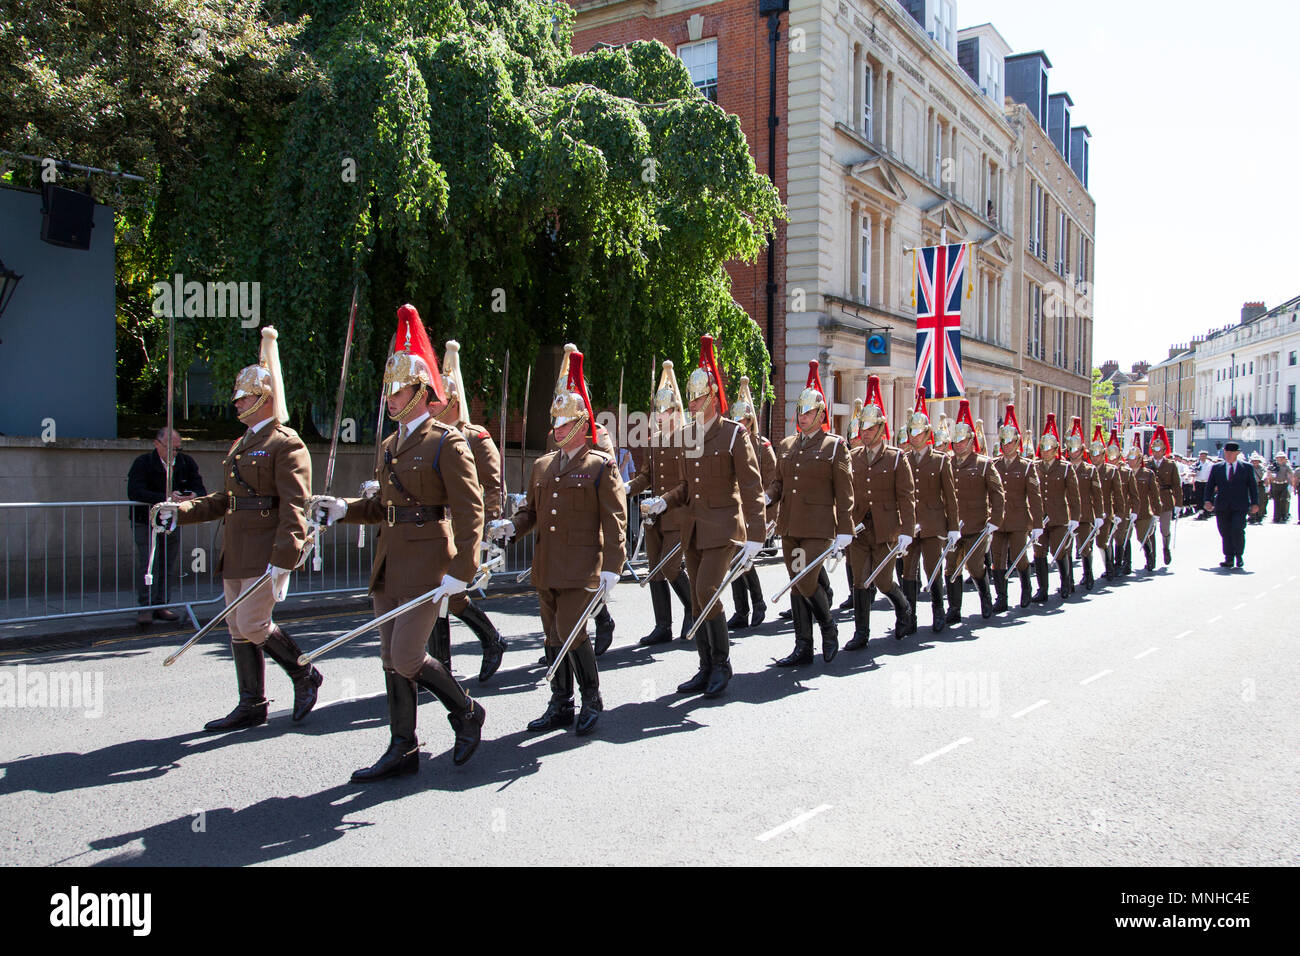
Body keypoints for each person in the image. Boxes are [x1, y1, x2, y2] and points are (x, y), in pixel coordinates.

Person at [311, 306, 485, 778]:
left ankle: (466, 712)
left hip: (430, 565)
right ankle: (402, 747)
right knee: (390, 659)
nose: (390, 398)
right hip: (389, 563)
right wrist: (345, 509)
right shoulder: (388, 446)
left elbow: (472, 511)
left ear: (422, 392)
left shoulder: (447, 442)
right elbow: (385, 508)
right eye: (388, 389)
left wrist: (461, 570)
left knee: (409, 654)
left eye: (399, 389)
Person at [155, 327, 321, 732]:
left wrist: (285, 556)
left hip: (266, 548)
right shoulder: (240, 445)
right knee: (237, 627)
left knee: (252, 623)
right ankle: (252, 703)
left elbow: (295, 503)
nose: (238, 403)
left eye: (245, 397)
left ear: (265, 398)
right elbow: (225, 499)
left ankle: (305, 674)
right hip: (237, 546)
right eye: (238, 397)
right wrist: (182, 511)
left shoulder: (286, 443)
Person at [490, 346, 626, 731]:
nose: (556, 429)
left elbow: (615, 518)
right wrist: (512, 527)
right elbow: (531, 512)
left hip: (582, 567)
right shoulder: (543, 465)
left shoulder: (600, 466)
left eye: (564, 423)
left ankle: (592, 699)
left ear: (582, 425)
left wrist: (613, 568)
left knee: (571, 630)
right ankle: (560, 702)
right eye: (555, 423)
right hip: (547, 564)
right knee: (552, 635)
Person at [654, 334, 764, 695]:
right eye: (691, 398)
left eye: (699, 397)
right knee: (700, 598)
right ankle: (705, 666)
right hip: (694, 528)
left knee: (706, 589)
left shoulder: (734, 435)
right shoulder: (687, 435)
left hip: (724, 528)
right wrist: (664, 501)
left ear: (714, 396)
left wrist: (757, 535)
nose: (693, 403)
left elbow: (751, 487)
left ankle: (722, 664)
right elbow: (686, 487)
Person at [424, 340, 508, 683]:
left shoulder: (475, 437)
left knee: (450, 595)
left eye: (438, 402)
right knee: (437, 596)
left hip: (461, 530)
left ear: (454, 404)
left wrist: (487, 529)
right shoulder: (426, 438)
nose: (431, 409)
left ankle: (489, 641)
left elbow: (491, 485)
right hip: (431, 528)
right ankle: (443, 665)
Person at [765, 361, 855, 665]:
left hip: (818, 528)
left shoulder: (834, 446)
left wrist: (845, 529)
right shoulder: (787, 444)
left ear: (820, 414)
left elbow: (845, 492)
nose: (802, 417)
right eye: (799, 412)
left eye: (808, 412)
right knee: (796, 583)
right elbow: (779, 482)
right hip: (790, 526)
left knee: (805, 580)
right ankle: (803, 646)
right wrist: (767, 497)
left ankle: (829, 629)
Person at [844, 377, 914, 658]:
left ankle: (904, 609)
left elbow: (906, 497)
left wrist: (906, 531)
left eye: (870, 428)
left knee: (883, 581)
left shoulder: (897, 458)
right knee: (860, 580)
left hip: (886, 529)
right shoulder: (854, 457)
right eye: (863, 427)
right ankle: (861, 632)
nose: (865, 432)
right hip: (860, 529)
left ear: (881, 429)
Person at [626, 360, 693, 645]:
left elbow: (688, 483)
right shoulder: (653, 441)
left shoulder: (688, 438)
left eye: (666, 410)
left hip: (677, 514)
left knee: (671, 567)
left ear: (677, 412)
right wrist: (627, 487)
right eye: (658, 411)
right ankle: (662, 625)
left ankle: (693, 608)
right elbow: (646, 476)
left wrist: (665, 501)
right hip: (654, 517)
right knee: (654, 568)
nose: (661, 415)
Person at [128, 427, 206, 624]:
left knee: (167, 563)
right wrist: (165, 498)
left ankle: (162, 604)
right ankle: (145, 607)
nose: (174, 452)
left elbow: (200, 487)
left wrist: (192, 496)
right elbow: (135, 491)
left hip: (171, 521)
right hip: (145, 521)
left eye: (178, 448)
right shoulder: (143, 462)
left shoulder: (185, 462)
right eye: (170, 447)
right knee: (149, 563)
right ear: (157, 444)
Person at [900, 389, 960, 630]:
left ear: (927, 434)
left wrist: (953, 527)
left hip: (934, 524)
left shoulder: (941, 460)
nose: (913, 437)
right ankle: (909, 616)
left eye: (918, 432)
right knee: (908, 572)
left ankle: (938, 611)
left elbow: (951, 496)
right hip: (909, 524)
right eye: (910, 432)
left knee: (932, 569)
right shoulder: (902, 459)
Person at [945, 401, 1004, 623]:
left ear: (971, 441)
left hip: (977, 526)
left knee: (975, 566)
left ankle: (986, 599)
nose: (958, 445)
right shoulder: (947, 463)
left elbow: (997, 494)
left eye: (962, 441)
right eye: (955, 441)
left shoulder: (984, 464)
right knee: (951, 568)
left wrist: (994, 520)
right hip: (952, 527)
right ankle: (954, 609)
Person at [726, 375, 775, 631]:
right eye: (735, 420)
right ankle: (740, 610)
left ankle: (758, 604)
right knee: (734, 561)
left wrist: (767, 513)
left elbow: (772, 480)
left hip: (754, 510)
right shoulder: (729, 444)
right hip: (734, 510)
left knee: (745, 560)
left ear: (751, 420)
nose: (738, 424)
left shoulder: (761, 445)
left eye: (743, 419)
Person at [991, 403, 1042, 611]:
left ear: (1017, 443)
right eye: (1003, 442)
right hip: (998, 521)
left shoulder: (1027, 466)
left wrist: (1037, 524)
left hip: (1019, 519)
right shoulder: (995, 465)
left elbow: (1035, 497)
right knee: (997, 559)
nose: (1006, 446)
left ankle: (1026, 588)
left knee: (1020, 557)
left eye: (1010, 442)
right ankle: (1001, 597)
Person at [1031, 414, 1080, 601]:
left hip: (1059, 517)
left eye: (1048, 449)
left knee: (1060, 551)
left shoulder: (1065, 468)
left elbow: (1074, 497)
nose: (1045, 452)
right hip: (1039, 518)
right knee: (1039, 552)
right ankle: (1042, 589)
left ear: (1055, 449)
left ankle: (1066, 583)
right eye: (1042, 448)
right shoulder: (1035, 467)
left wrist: (1074, 518)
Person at [1203, 441, 1259, 568]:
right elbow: (1210, 486)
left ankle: (1239, 555)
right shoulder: (1217, 468)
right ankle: (1228, 557)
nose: (1228, 455)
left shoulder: (1246, 467)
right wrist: (1207, 500)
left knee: (1237, 529)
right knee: (1225, 531)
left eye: (1231, 452)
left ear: (1237, 453)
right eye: (1226, 452)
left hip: (1240, 505)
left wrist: (1255, 503)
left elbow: (1253, 487)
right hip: (1222, 505)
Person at [1065, 417, 1105, 591]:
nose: (1073, 452)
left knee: (1085, 547)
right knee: (1065, 549)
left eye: (1076, 449)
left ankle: (1088, 575)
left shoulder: (1090, 470)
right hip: (1066, 514)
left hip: (1085, 513)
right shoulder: (1064, 468)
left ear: (1082, 450)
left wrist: (1099, 514)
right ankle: (1068, 580)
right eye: (1070, 449)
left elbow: (1097, 495)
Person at [1094, 427, 1127, 581]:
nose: (1095, 457)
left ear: (1103, 455)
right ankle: (1105, 567)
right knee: (1095, 543)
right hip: (1091, 511)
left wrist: (1121, 513)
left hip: (1107, 511)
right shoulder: (1088, 470)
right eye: (1092, 454)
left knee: (1104, 541)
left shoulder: (1111, 471)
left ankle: (1112, 566)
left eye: (1098, 454)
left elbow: (1118, 495)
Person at [1146, 425, 1182, 565]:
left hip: (1166, 499)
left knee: (1164, 529)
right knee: (1150, 529)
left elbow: (1177, 486)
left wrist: (1178, 503)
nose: (1156, 453)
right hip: (1151, 501)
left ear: (1164, 451)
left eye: (1159, 450)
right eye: (1154, 450)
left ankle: (1166, 548)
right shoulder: (1147, 464)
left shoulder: (1171, 465)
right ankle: (1151, 557)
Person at [1268, 451, 1293, 523]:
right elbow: (1268, 475)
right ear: (1277, 459)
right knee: (1276, 501)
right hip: (1275, 484)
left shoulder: (1287, 466)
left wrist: (1290, 484)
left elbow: (1290, 475)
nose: (1281, 460)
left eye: (1282, 458)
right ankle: (1276, 517)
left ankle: (1284, 515)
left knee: (1284, 500)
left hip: (1284, 484)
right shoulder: (1273, 466)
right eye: (1279, 458)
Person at [1247, 453, 1268, 526]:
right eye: (1254, 461)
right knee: (1250, 501)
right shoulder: (1249, 468)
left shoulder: (1262, 468)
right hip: (1251, 486)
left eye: (1257, 461)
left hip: (1260, 485)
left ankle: (1259, 515)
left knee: (1261, 501)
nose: (1255, 462)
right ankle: (1252, 516)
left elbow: (1265, 475)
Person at [1193, 450, 1214, 519]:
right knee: (1199, 498)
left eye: (1204, 456)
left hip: (1206, 482)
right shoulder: (1196, 464)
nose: (1202, 457)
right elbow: (1191, 473)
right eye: (1201, 456)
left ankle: (1207, 512)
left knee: (1206, 497)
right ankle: (1201, 512)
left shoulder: (1210, 464)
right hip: (1198, 482)